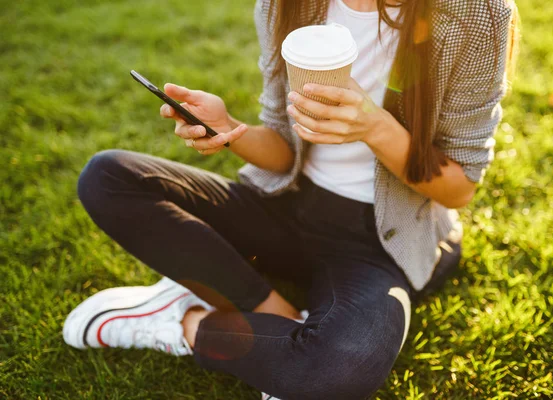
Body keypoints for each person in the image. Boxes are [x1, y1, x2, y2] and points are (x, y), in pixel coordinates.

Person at [63, 0, 518, 398]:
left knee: (342, 368)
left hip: (379, 240)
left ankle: (183, 321)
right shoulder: (288, 2)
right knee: (107, 177)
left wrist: (374, 127)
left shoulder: (477, 13)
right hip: (285, 208)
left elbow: (459, 187)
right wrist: (230, 132)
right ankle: (272, 312)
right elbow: (283, 151)